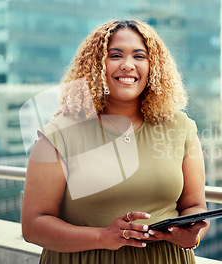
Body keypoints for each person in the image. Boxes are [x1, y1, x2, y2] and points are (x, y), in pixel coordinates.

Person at [21, 19, 209, 264]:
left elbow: (195, 206)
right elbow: (33, 226)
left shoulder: (180, 128)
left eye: (139, 56)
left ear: (154, 67)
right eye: (115, 55)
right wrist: (102, 237)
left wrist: (194, 236)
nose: (128, 65)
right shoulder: (60, 134)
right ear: (95, 66)